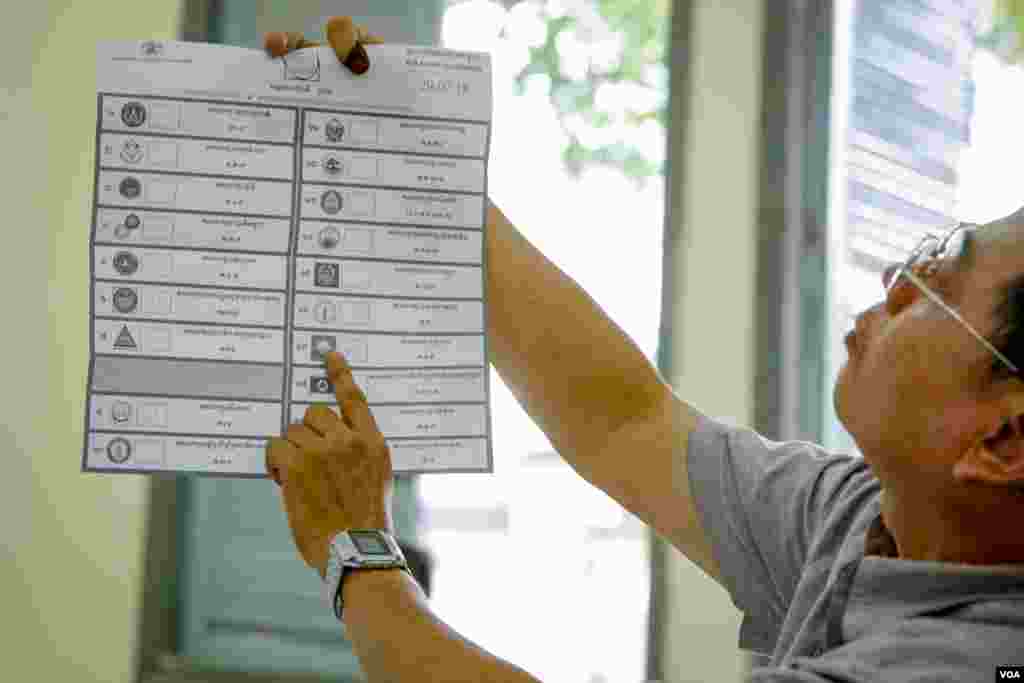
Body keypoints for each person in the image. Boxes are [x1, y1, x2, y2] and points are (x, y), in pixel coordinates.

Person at [264, 16, 1024, 683]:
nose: (894, 281)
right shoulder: (872, 518)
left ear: (1003, 438)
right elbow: (627, 421)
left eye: (938, 275)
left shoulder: (962, 661)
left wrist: (358, 554)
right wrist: (422, 173)